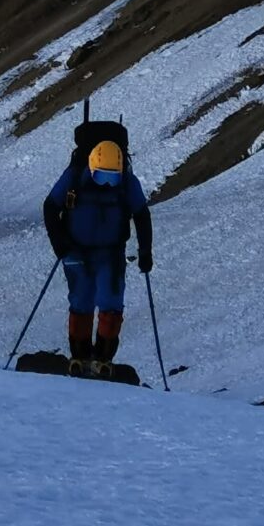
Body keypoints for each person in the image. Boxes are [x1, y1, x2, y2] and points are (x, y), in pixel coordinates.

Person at [43, 136, 153, 371]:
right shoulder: (74, 178)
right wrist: (59, 244)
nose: (106, 184)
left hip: (110, 252)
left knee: (110, 301)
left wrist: (145, 251)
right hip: (75, 249)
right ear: (91, 166)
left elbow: (142, 215)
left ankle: (103, 359)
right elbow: (50, 207)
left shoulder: (127, 183)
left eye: (112, 178)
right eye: (101, 176)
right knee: (81, 300)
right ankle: (80, 357)